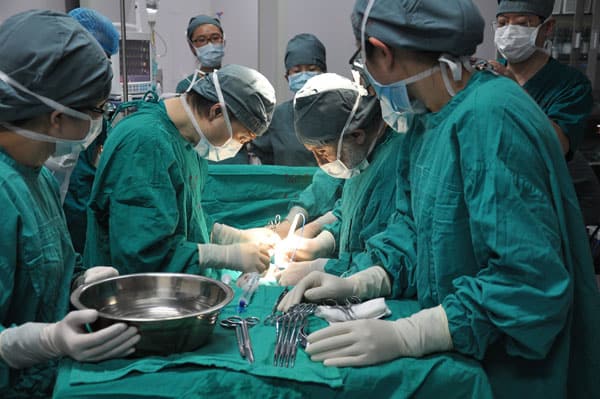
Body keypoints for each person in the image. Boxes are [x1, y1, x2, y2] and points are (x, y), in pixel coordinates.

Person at [278, 1, 600, 398]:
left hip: (511, 371)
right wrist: (361, 279)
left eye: (363, 60)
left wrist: (410, 334)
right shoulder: (427, 119)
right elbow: (415, 232)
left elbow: (528, 284)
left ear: (381, 51)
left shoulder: (491, 119)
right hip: (462, 354)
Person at [0, 10, 140, 397]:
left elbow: (40, 269)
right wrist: (40, 341)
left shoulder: (37, 173)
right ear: (58, 117)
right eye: (98, 110)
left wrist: (79, 282)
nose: (102, 120)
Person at [84, 64, 278, 278]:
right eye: (242, 138)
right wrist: (226, 255)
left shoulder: (189, 141)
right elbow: (142, 256)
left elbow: (182, 217)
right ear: (216, 111)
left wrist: (232, 237)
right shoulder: (144, 144)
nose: (239, 147)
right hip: (135, 300)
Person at [275, 73, 404, 286]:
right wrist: (321, 243)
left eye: (323, 151)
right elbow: (351, 213)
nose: (320, 162)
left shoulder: (394, 162)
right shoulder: (361, 159)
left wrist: (324, 267)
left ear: (356, 135)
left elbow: (391, 253)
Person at [490, 0, 600, 227]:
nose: (510, 32)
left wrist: (514, 93)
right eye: (503, 23)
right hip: (496, 200)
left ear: (547, 28)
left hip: (543, 209)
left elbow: (557, 145)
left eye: (522, 23)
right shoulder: (487, 77)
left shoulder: (571, 85)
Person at [61, 7, 121, 254]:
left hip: (82, 214)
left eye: (104, 60)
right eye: (92, 57)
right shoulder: (44, 105)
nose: (98, 68)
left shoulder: (96, 114)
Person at [251, 33, 326, 166]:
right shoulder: (277, 117)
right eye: (297, 71)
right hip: (287, 186)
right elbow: (262, 156)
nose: (304, 76)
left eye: (312, 69)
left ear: (324, 74)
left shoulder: (337, 112)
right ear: (287, 77)